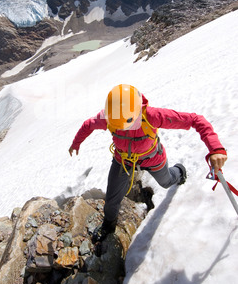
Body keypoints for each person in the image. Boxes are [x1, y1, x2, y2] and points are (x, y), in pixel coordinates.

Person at [69, 84, 227, 242]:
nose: (123, 128)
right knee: (112, 197)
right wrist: (76, 143)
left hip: (152, 159)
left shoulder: (152, 116)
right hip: (124, 160)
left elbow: (195, 120)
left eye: (127, 123)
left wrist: (216, 148)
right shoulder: (110, 116)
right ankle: (108, 226)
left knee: (167, 182)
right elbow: (88, 125)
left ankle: (179, 171)